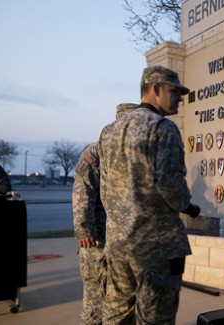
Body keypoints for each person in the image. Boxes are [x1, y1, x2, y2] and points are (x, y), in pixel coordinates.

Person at [98, 66, 194, 325]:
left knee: (117, 315)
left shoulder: (109, 132)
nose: (180, 98)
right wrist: (189, 206)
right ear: (156, 89)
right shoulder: (163, 128)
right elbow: (171, 186)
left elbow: (105, 189)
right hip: (155, 246)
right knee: (155, 317)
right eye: (175, 91)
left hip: (118, 243)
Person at [72, 103, 137, 325]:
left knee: (121, 300)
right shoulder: (96, 151)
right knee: (95, 298)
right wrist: (84, 228)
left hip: (123, 240)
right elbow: (83, 190)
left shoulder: (133, 154)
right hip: (97, 239)